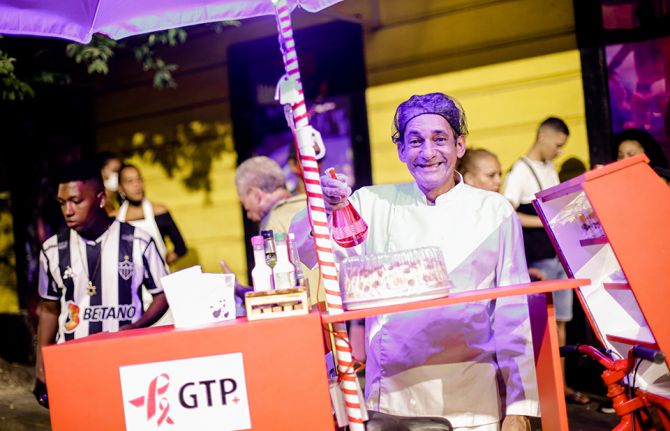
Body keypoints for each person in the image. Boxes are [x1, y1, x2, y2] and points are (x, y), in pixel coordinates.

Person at [291, 93, 538, 430]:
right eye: (415, 141)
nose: (428, 152)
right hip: (393, 401)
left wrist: (520, 407)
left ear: (460, 145)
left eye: (440, 139)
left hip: (472, 400)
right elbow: (308, 253)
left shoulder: (493, 210)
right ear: (401, 151)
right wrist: (318, 207)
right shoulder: (371, 203)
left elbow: (514, 311)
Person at [36, 160, 169, 404]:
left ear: (99, 199)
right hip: (73, 364)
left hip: (128, 361)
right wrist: (42, 366)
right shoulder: (52, 250)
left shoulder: (138, 241)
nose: (68, 210)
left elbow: (163, 295)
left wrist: (137, 326)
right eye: (62, 203)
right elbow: (48, 310)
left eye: (76, 201)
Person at [501, 117, 588, 405]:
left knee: (561, 322)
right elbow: (509, 214)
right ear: (542, 136)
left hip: (557, 256)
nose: (559, 152)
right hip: (538, 260)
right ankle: (547, 389)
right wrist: (546, 223)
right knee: (545, 324)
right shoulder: (519, 172)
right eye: (557, 145)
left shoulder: (549, 169)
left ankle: (561, 387)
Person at [221, 155, 320, 303]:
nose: (248, 214)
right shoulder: (312, 206)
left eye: (244, 205)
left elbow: (278, 294)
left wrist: (240, 290)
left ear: (256, 195)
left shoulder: (272, 224)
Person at [116, 164, 187, 265]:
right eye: (130, 181)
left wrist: (161, 264)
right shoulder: (115, 218)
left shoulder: (159, 211)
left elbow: (181, 248)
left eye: (139, 179)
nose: (137, 185)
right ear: (120, 188)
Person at [96, 152, 123, 216]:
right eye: (115, 171)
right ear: (101, 172)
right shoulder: (100, 202)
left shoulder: (118, 198)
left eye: (120, 171)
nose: (119, 175)